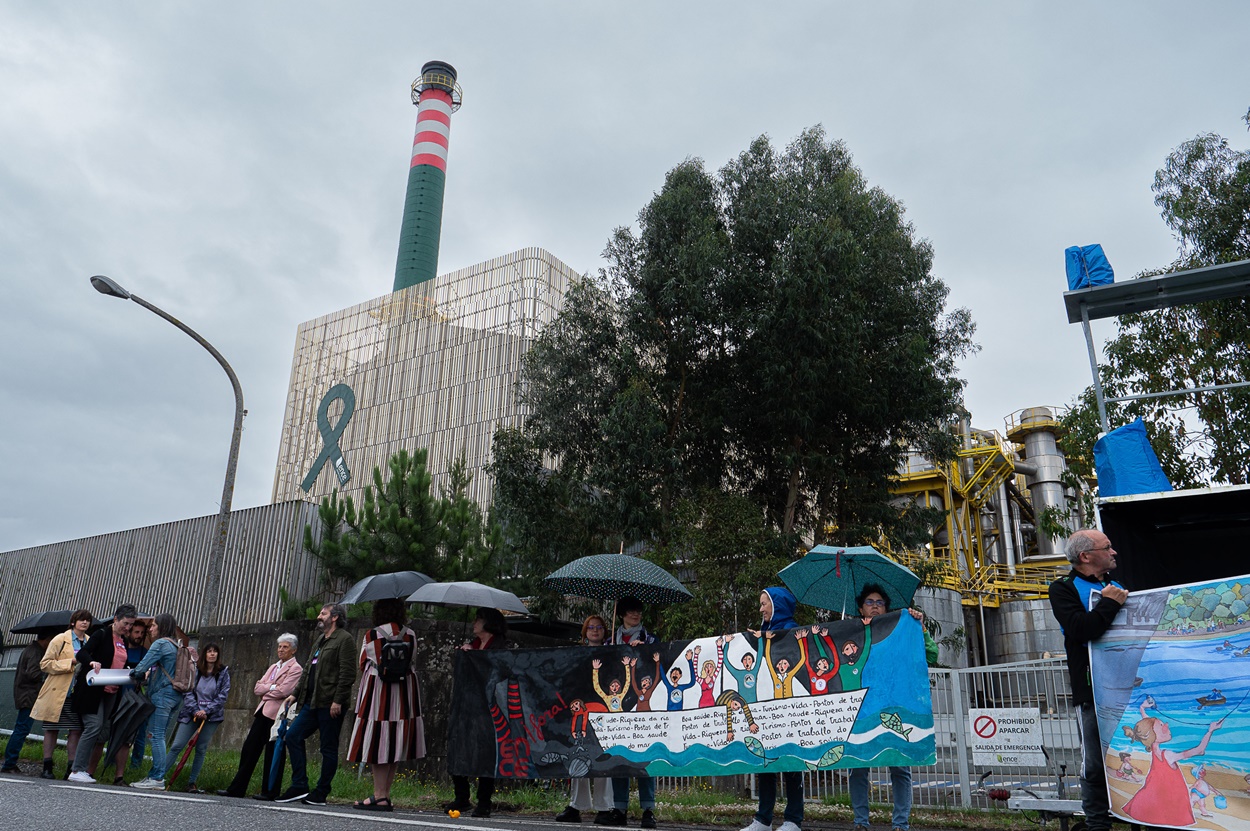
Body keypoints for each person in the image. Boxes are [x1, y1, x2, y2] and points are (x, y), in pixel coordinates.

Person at [1048, 528, 1128, 831]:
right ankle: (1097, 825)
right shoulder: (1063, 588)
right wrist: (1108, 604)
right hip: (1092, 689)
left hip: (1128, 687)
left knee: (1136, 756)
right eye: (1107, 547)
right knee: (1095, 763)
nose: (1114, 552)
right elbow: (1080, 629)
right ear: (1086, 556)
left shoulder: (1116, 585)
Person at [847, 583, 934, 831]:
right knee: (858, 770)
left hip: (896, 707)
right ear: (861, 608)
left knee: (899, 767)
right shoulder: (851, 633)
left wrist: (920, 628)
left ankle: (900, 824)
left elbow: (931, 655)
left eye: (880, 603)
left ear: (886, 607)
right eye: (869, 602)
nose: (875, 606)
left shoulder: (901, 629)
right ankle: (861, 823)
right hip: (862, 711)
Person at [347, 598, 426, 812]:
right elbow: (413, 660)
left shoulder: (372, 634)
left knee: (378, 740)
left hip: (378, 689)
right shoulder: (410, 634)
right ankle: (386, 794)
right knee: (396, 740)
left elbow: (364, 662)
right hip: (404, 690)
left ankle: (379, 795)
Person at [277, 603, 357, 805]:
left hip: (330, 703)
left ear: (335, 617)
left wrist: (338, 700)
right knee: (293, 736)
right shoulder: (320, 640)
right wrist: (295, 694)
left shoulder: (344, 640)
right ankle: (299, 785)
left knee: (328, 748)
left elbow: (348, 674)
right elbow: (307, 669)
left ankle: (321, 792)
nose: (319, 616)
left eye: (323, 613)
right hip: (311, 703)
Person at [740, 586, 803, 831]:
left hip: (788, 709)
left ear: (777, 605)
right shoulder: (762, 631)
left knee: (791, 763)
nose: (761, 608)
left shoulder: (790, 629)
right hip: (765, 709)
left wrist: (767, 639)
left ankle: (793, 819)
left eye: (764, 603)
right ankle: (763, 818)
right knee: (765, 762)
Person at [217, 633, 302, 800]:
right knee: (249, 749)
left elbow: (284, 691)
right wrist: (272, 687)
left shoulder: (296, 669)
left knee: (273, 752)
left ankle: (270, 791)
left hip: (277, 714)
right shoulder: (273, 666)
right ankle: (237, 788)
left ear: (293, 650)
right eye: (279, 646)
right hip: (263, 711)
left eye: (285, 647)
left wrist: (267, 689)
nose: (281, 650)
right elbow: (257, 688)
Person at [1121, 695, 1223, 826]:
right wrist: (1210, 731)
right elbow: (1199, 751)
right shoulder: (1167, 755)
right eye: (1162, 725)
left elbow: (1146, 726)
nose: (1166, 726)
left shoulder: (1153, 747)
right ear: (1152, 735)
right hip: (1168, 803)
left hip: (1154, 801)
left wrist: (1142, 708)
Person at [445, 607, 508, 818]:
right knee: (458, 746)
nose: (474, 623)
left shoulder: (500, 647)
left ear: (489, 623)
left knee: (486, 753)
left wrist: (477, 657)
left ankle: (484, 801)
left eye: (478, 619)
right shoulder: (471, 645)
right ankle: (462, 797)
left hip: (489, 709)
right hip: (466, 707)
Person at [69, 604, 138, 783]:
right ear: (115, 619)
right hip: (93, 689)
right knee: (93, 726)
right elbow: (83, 653)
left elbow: (123, 663)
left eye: (131, 624)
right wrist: (92, 663)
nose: (128, 627)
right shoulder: (101, 634)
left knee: (101, 733)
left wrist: (136, 671)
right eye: (126, 623)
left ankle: (88, 772)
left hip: (111, 692)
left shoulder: (123, 641)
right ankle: (77, 770)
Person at [556, 615, 615, 824]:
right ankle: (576, 806)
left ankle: (605, 807)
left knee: (602, 759)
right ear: (584, 631)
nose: (595, 630)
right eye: (591, 627)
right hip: (580, 712)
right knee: (577, 757)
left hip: (601, 712)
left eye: (599, 627)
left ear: (605, 631)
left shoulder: (612, 653)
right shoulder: (576, 654)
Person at [607, 596, 657, 828]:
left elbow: (660, 663)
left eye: (638, 611)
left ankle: (648, 809)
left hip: (643, 706)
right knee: (619, 757)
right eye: (630, 612)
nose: (635, 615)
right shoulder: (610, 642)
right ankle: (619, 809)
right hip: (617, 706)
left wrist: (645, 651)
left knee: (645, 757)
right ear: (621, 615)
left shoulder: (651, 639)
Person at [30, 610, 92, 779]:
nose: (85, 623)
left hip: (77, 692)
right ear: (73, 622)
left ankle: (71, 768)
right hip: (58, 691)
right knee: (51, 728)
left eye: (87, 620)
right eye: (81, 620)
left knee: (76, 730)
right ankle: (47, 766)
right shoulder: (60, 639)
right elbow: (45, 664)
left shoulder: (89, 641)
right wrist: (69, 662)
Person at [128, 613, 185, 789]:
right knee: (159, 735)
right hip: (176, 695)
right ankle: (154, 775)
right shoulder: (177, 646)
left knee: (156, 735)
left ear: (161, 627)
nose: (150, 629)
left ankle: (157, 778)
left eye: (153, 625)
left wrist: (135, 675)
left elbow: (140, 668)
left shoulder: (160, 644)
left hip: (162, 695)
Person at [165, 643, 231, 792]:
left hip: (211, 716)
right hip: (191, 713)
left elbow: (223, 695)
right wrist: (195, 710)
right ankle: (159, 776)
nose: (212, 654)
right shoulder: (195, 670)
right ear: (204, 654)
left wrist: (207, 710)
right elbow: (188, 691)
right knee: (177, 745)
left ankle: (191, 782)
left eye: (215, 651)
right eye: (209, 651)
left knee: (200, 748)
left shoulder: (223, 672)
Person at [2, 632, 51, 772]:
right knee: (22, 728)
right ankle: (9, 763)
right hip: (28, 695)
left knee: (21, 728)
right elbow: (33, 673)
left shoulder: (31, 649)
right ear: (47, 639)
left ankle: (10, 762)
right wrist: (49, 673)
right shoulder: (35, 652)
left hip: (25, 693)